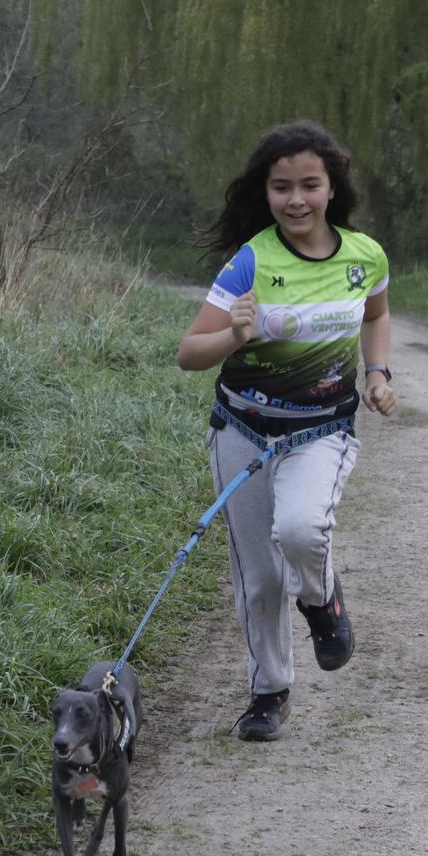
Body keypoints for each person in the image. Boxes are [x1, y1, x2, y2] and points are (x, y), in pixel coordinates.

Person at [176, 120, 395, 741]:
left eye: (309, 185)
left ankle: (322, 599)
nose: (295, 199)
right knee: (260, 576)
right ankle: (269, 691)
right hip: (242, 429)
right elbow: (190, 352)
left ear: (332, 189)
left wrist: (377, 372)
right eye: (280, 187)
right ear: (265, 192)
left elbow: (375, 314)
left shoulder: (365, 256)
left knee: (301, 530)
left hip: (321, 430)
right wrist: (235, 335)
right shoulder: (251, 261)